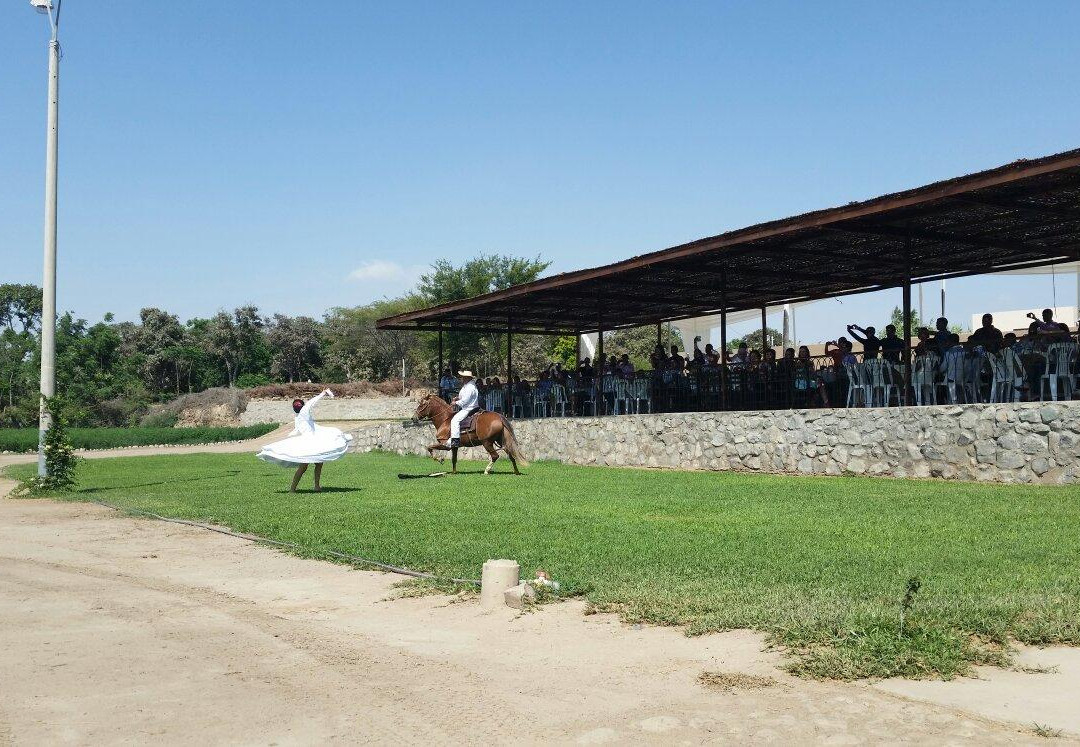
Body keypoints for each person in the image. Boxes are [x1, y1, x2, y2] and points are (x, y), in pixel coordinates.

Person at [256, 389, 353, 492]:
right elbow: (311, 402)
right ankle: (294, 489)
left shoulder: (298, 417)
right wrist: (323, 393)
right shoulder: (304, 412)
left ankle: (314, 487)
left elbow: (297, 430)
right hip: (309, 444)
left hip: (311, 442)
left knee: (317, 463)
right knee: (304, 466)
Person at [448, 370, 479, 448]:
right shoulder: (467, 386)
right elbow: (463, 397)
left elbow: (465, 401)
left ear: (467, 378)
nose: (461, 378)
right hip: (469, 407)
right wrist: (458, 398)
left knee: (455, 420)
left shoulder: (470, 387)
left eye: (463, 377)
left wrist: (456, 403)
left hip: (469, 408)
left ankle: (455, 441)